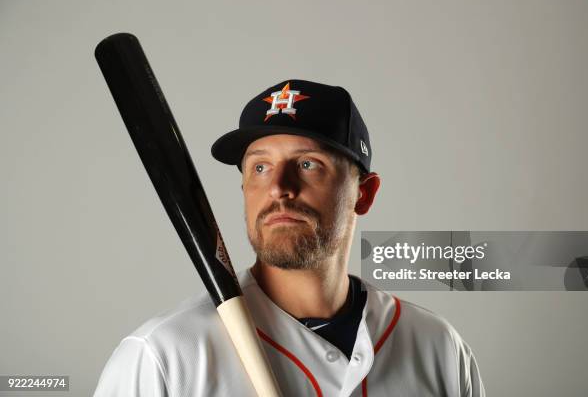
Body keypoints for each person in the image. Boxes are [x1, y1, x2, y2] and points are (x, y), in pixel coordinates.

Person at [94, 79, 485, 396]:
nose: (279, 187)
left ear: (363, 194)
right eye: (260, 166)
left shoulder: (439, 348)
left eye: (307, 163)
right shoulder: (165, 358)